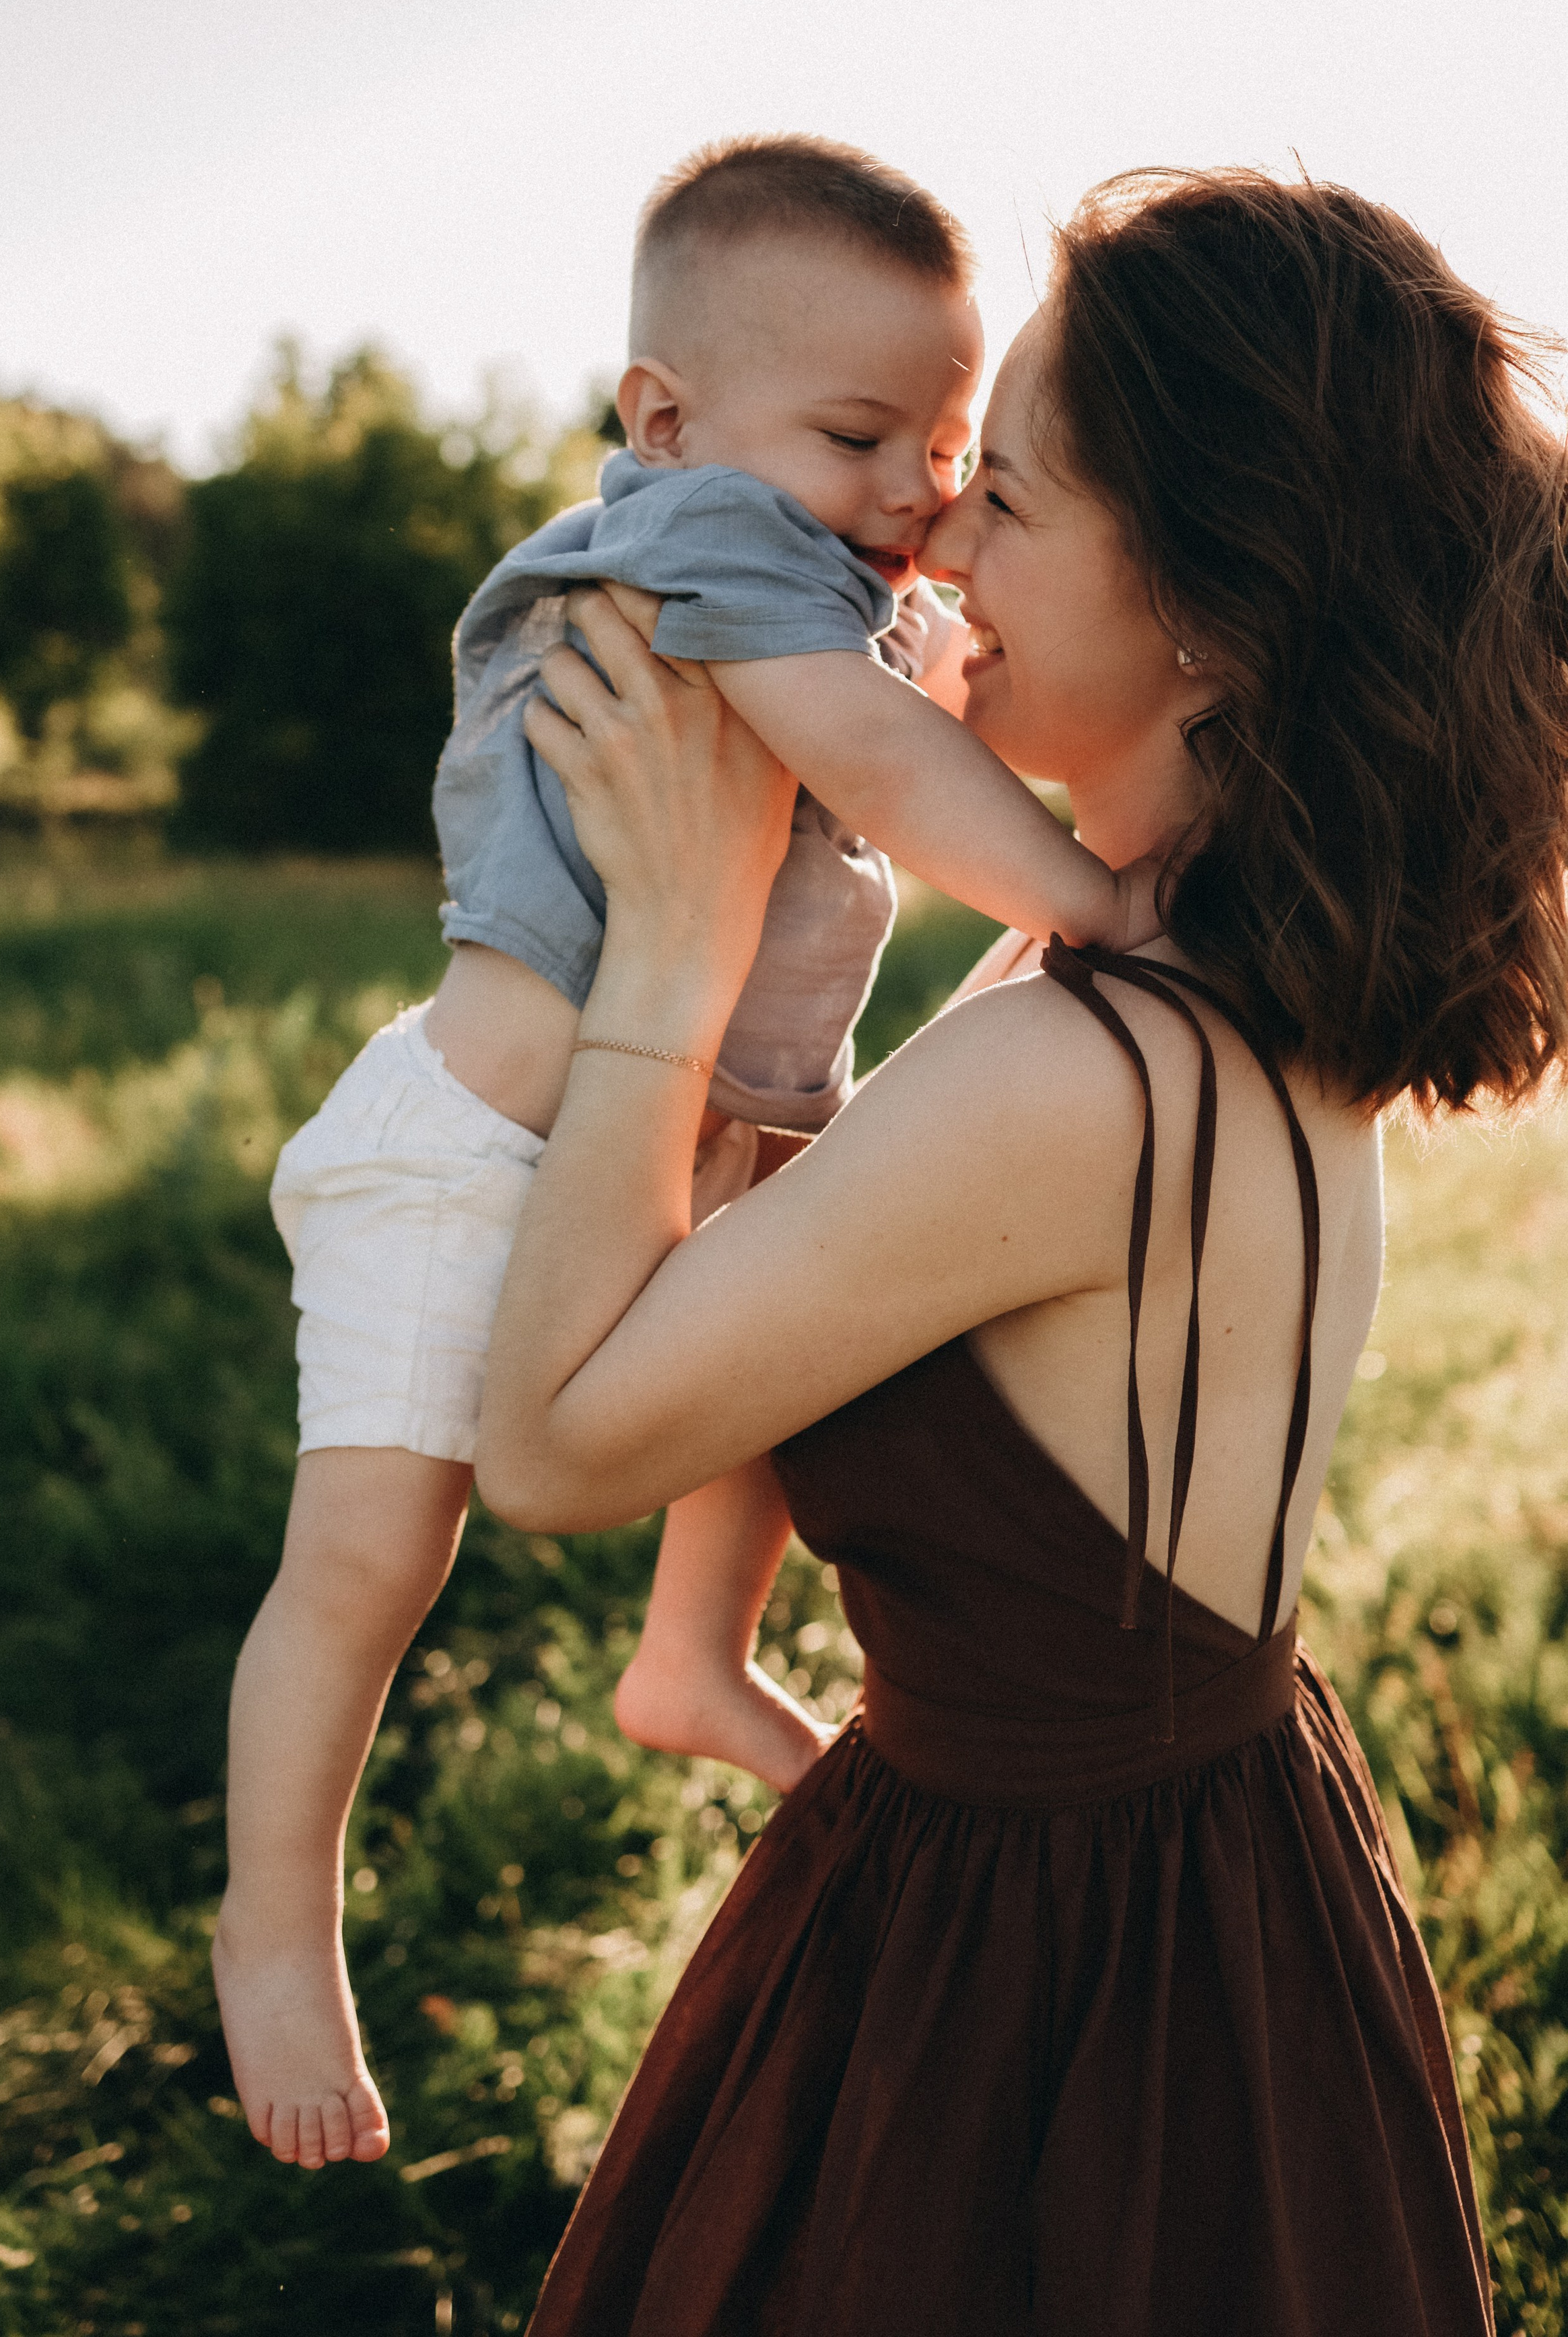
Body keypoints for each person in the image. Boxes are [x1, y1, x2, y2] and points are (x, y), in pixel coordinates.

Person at [475, 168, 1568, 2331]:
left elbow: (548, 1447)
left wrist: (679, 933)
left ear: (1214, 613)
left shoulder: (1073, 1074)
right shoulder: (1232, 976)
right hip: (1221, 1882)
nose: (932, 546)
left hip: (1043, 1986)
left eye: (1017, 503)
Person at [212, 135, 1157, 2171]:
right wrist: (1100, 901)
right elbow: (893, 766)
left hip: (697, 1132)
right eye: (863, 435)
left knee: (778, 1388)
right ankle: (277, 1924)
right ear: (670, 418)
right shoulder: (706, 543)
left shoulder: (827, 569)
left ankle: (691, 1660)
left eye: (947, 441)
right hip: (472, 1151)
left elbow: (931, 708)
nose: (917, 487)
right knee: (375, 1555)